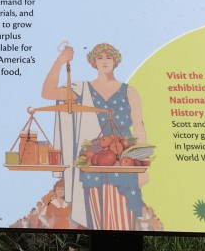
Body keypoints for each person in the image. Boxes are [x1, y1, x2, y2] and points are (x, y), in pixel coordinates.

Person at [42, 43, 149, 230]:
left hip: (124, 160)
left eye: (109, 57)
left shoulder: (129, 91)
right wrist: (60, 61)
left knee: (125, 215)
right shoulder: (82, 91)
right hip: (94, 161)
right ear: (93, 62)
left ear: (116, 61)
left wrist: (143, 166)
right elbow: (48, 93)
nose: (104, 61)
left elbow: (139, 128)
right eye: (100, 57)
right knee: (96, 219)